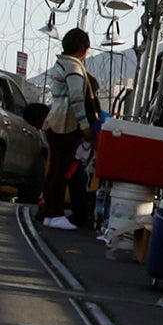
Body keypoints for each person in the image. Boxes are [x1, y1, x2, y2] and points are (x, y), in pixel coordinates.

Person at [37, 28, 101, 230]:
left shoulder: (62, 63)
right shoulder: (73, 67)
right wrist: (84, 125)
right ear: (84, 48)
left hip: (56, 120)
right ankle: (54, 213)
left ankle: (50, 211)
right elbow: (76, 98)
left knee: (56, 169)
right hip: (66, 124)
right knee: (62, 171)